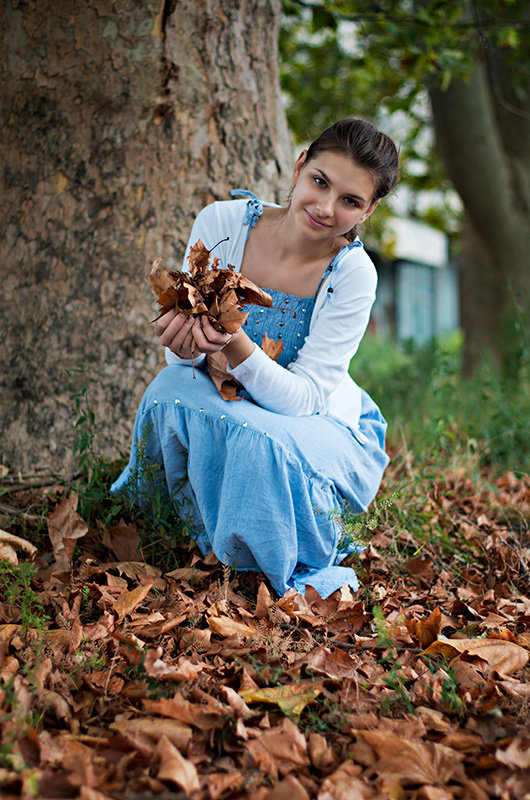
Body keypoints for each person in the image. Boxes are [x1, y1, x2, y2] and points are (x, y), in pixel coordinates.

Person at [112, 118, 399, 598]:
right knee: (167, 393)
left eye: (350, 201)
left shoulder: (351, 273)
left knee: (258, 438)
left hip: (316, 421)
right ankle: (173, 533)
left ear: (368, 211)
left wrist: (234, 343)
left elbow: (306, 397)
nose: (325, 208)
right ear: (299, 166)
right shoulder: (222, 224)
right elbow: (183, 369)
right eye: (320, 182)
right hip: (227, 396)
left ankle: (253, 567)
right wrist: (181, 344)